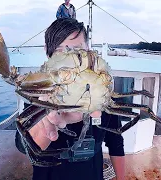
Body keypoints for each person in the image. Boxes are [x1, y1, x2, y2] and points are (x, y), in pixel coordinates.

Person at [15, 18, 126, 180]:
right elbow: (22, 144)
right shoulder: (39, 91)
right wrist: (45, 125)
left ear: (88, 49)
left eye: (77, 49)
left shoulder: (103, 90)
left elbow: (115, 141)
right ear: (49, 54)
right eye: (60, 51)